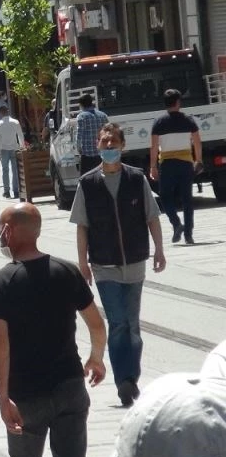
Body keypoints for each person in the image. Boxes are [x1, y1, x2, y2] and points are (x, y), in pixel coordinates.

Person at [0, 203, 107, 457]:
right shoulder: (67, 271)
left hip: (27, 395)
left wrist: (3, 398)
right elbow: (97, 325)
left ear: (8, 231)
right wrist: (96, 357)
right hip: (70, 387)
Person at [71, 122, 165, 407]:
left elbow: (152, 217)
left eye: (113, 143)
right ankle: (124, 381)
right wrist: (82, 262)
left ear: (122, 146)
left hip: (135, 261)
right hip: (103, 265)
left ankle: (131, 377)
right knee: (117, 322)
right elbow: (82, 226)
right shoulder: (88, 183)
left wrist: (159, 250)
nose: (109, 148)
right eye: (104, 143)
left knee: (132, 324)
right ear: (97, 146)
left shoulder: (136, 179)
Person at [150, 88, 202, 245]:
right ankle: (188, 234)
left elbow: (153, 147)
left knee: (165, 195)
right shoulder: (188, 120)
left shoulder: (158, 122)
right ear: (178, 102)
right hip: (186, 163)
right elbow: (197, 141)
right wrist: (198, 160)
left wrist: (152, 166)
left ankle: (176, 223)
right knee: (187, 198)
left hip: (167, 163)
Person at [0, 105, 25, 199]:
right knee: (15, 170)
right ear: (8, 111)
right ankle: (16, 191)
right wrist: (22, 146)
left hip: (4, 149)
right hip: (15, 148)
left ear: (0, 113)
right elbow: (20, 135)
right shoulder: (15, 122)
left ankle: (6, 191)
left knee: (5, 170)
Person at [76, 93, 109, 174]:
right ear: (91, 102)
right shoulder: (103, 115)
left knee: (86, 179)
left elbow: (79, 135)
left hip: (87, 155)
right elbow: (108, 132)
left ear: (81, 105)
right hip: (101, 154)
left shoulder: (82, 116)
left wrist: (78, 148)